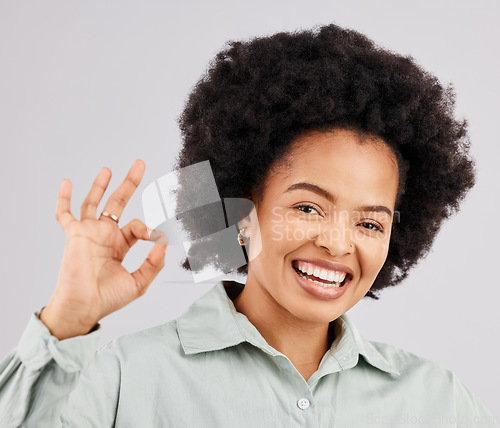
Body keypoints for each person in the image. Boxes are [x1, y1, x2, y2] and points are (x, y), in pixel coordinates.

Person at [0, 23, 497, 427]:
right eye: (308, 208)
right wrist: (65, 322)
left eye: (369, 223)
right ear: (240, 212)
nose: (337, 243)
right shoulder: (125, 378)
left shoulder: (437, 401)